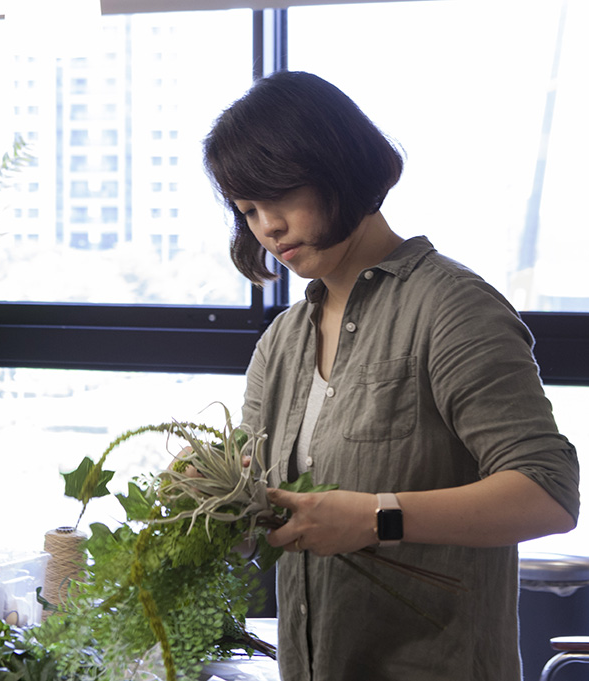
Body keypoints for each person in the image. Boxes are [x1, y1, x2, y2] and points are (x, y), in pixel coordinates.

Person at [202, 70, 580, 681]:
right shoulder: (281, 343)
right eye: (248, 210)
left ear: (338, 169)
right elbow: (259, 519)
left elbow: (549, 493)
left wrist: (377, 517)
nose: (267, 226)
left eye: (280, 194)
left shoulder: (451, 307)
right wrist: (216, 497)